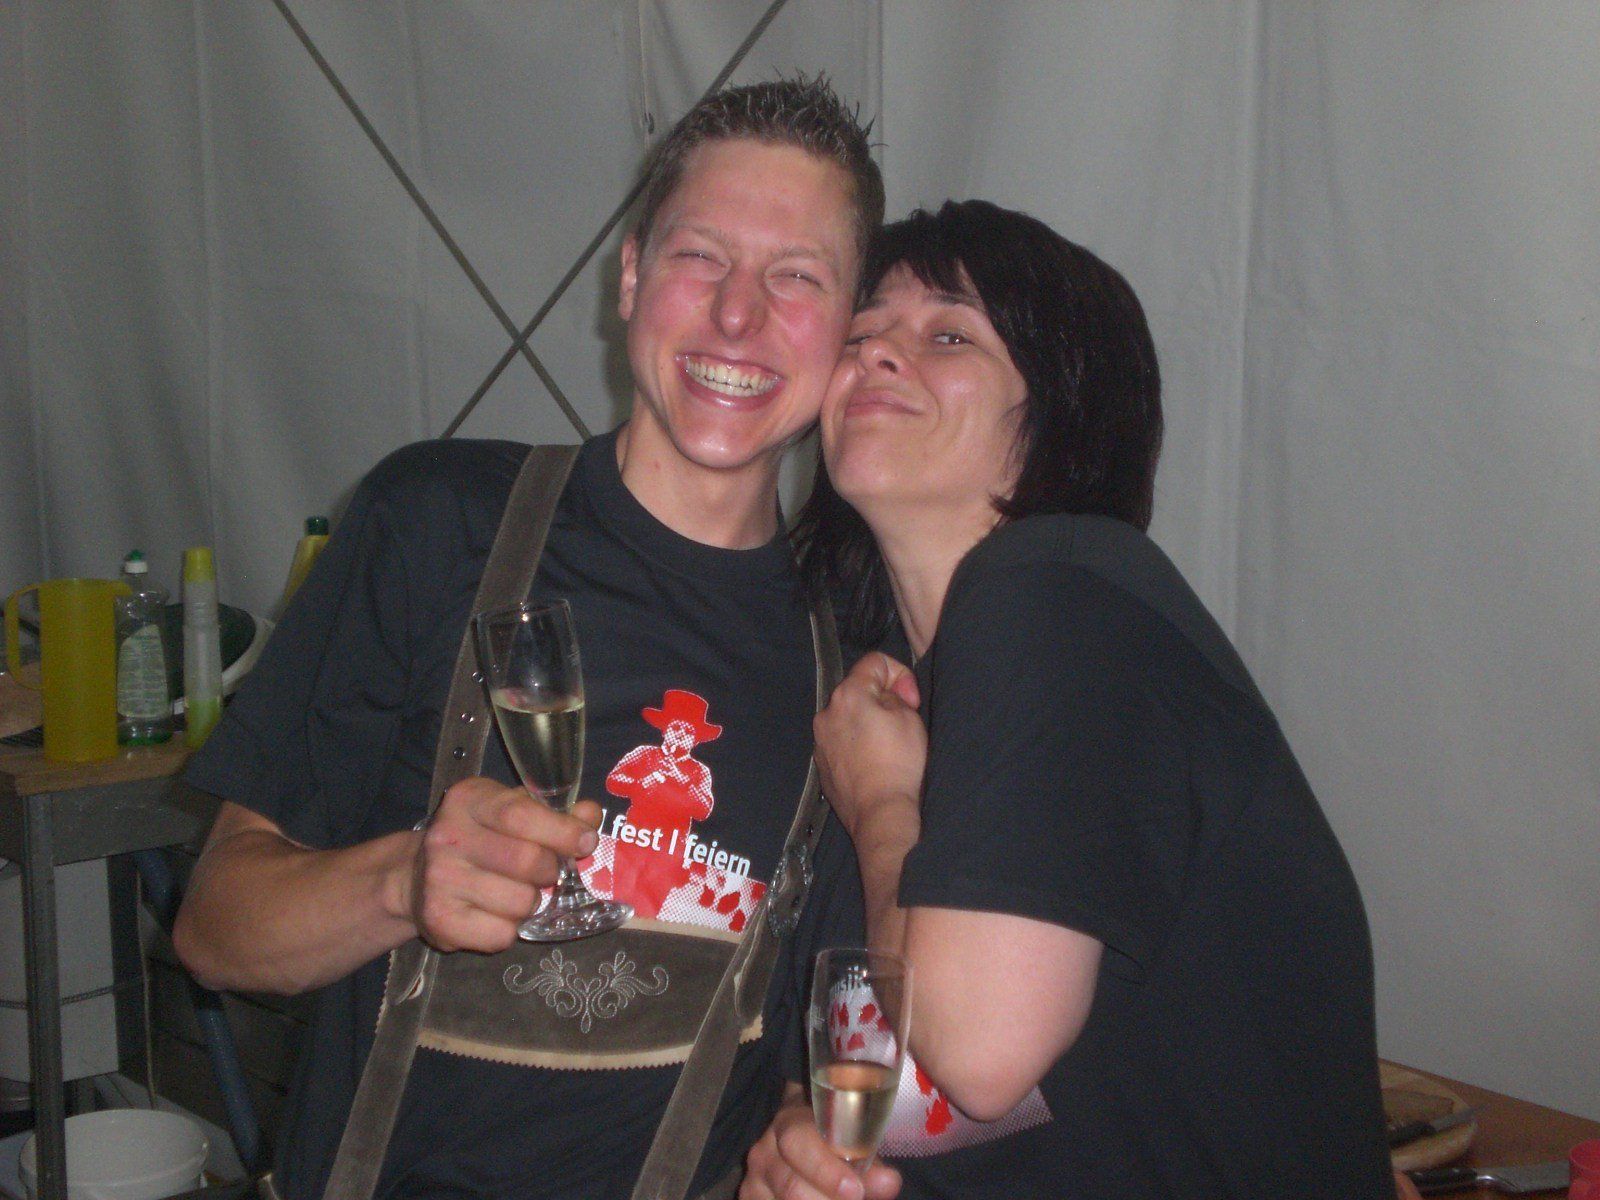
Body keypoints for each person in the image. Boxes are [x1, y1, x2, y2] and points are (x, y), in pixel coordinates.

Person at [172, 78, 883, 1199]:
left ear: (848, 333)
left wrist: (794, 1136)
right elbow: (214, 932)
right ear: (630, 277)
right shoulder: (438, 522)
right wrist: (403, 881)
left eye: (796, 276)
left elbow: (808, 1030)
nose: (738, 317)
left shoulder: (848, 657)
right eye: (700, 256)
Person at [741, 199, 1395, 1199]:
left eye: (948, 335)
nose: (875, 353)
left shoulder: (1057, 588)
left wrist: (880, 806)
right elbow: (869, 1075)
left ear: (1059, 410)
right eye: (861, 333)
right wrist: (801, 1142)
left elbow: (979, 1046)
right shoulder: (880, 709)